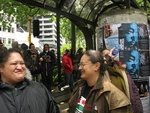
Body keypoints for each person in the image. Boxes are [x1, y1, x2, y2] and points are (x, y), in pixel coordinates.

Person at [0, 47, 59, 113]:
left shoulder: (40, 89)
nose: (20, 67)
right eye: (14, 64)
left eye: (22, 63)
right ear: (1, 68)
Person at [100, 48, 143, 113]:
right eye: (106, 55)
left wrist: (139, 110)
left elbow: (134, 93)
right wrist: (108, 58)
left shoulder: (122, 71)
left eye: (110, 53)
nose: (110, 55)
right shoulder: (102, 74)